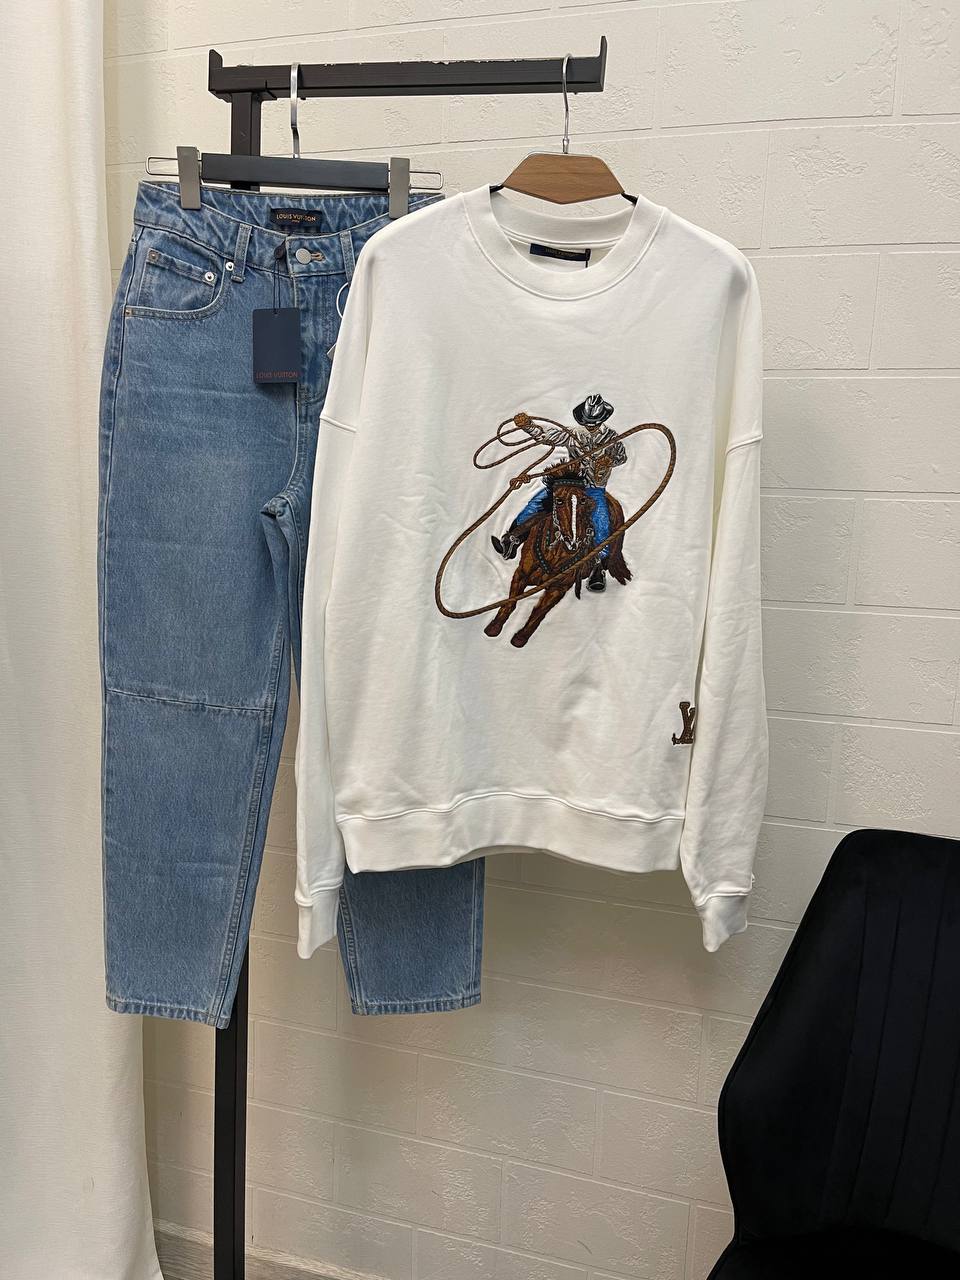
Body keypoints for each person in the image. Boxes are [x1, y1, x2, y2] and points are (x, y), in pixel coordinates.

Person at [491, 393, 626, 592]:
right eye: (587, 422)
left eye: (594, 423)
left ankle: (598, 566)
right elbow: (549, 435)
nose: (590, 426)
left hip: (594, 488)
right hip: (573, 483)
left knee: (601, 519)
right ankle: (513, 539)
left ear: (601, 420)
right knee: (537, 502)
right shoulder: (574, 434)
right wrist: (528, 426)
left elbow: (622, 457)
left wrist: (610, 460)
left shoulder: (612, 438)